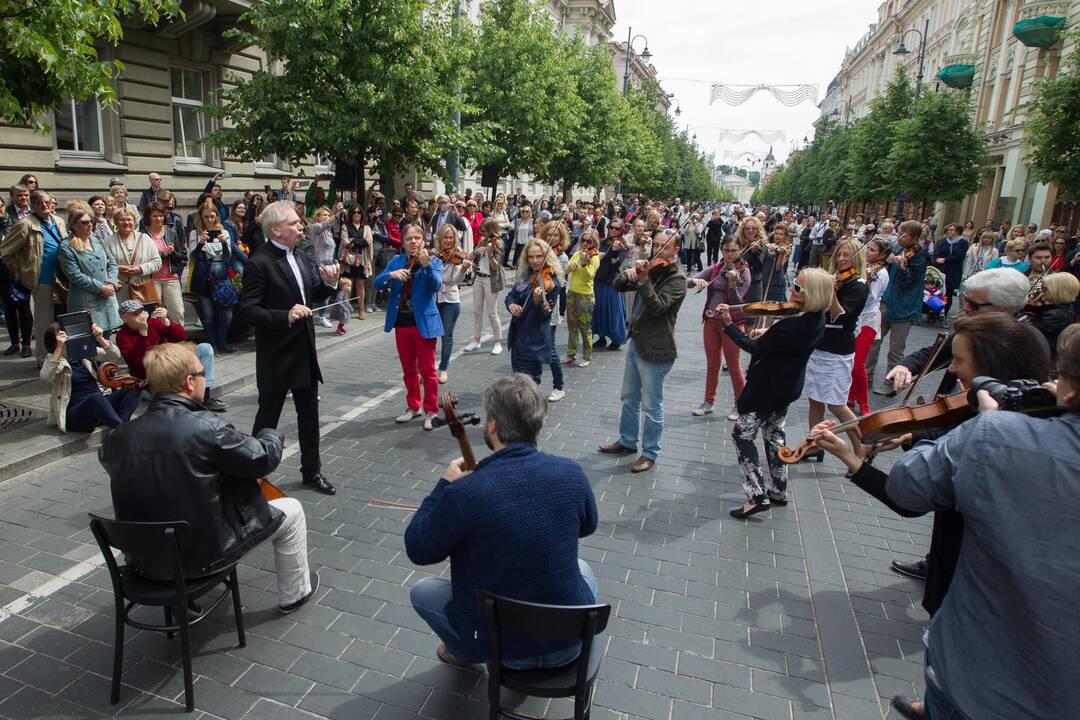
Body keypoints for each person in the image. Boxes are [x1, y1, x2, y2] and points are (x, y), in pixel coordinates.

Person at [810, 315, 1067, 720]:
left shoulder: (992, 430)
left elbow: (908, 497)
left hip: (975, 600)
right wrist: (916, 435)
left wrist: (851, 457)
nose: (952, 369)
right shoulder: (1030, 422)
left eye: (960, 360)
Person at [99, 343, 319, 613]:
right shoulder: (208, 428)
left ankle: (181, 604)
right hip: (203, 557)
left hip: (145, 560)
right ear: (189, 383)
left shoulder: (117, 438)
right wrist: (269, 435)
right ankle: (295, 595)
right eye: (203, 374)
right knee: (293, 511)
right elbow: (263, 459)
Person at [404, 374, 598, 667]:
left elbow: (418, 547)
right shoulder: (571, 473)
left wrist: (444, 485)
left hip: (502, 650)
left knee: (423, 592)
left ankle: (465, 651)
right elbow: (588, 526)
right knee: (582, 568)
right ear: (539, 423)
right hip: (568, 642)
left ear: (492, 425)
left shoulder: (464, 493)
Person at [239, 201, 340, 495]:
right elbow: (248, 310)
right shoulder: (259, 262)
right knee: (266, 419)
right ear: (276, 230)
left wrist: (329, 284)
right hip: (276, 356)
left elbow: (308, 295)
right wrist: (284, 316)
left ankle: (312, 471)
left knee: (309, 417)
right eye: (295, 223)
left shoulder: (301, 254)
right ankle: (252, 479)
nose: (301, 226)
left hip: (304, 352)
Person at [714, 268, 832, 518]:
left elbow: (753, 347)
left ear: (811, 294)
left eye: (798, 288)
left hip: (766, 389)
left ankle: (756, 495)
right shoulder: (817, 319)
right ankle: (778, 488)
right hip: (786, 388)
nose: (792, 290)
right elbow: (779, 343)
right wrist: (770, 334)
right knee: (774, 434)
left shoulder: (795, 326)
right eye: (794, 284)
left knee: (742, 436)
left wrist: (727, 324)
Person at [599, 229, 686, 473]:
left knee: (651, 405)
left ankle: (650, 452)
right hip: (636, 343)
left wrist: (644, 280)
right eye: (656, 245)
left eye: (665, 247)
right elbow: (616, 285)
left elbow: (657, 307)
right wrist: (630, 274)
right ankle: (627, 440)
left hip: (657, 349)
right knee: (628, 397)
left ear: (675, 251)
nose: (658, 251)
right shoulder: (649, 267)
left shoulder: (676, 279)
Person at [801, 238, 869, 460]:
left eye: (846, 255)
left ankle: (861, 448)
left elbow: (842, 315)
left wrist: (830, 291)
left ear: (856, 258)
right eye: (839, 254)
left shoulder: (858, 285)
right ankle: (815, 444)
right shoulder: (836, 280)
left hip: (838, 350)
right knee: (815, 399)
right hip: (820, 345)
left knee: (838, 405)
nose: (841, 259)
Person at [374, 223, 443, 430]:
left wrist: (427, 266)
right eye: (408, 239)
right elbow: (377, 283)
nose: (413, 242)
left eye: (417, 238)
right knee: (408, 369)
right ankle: (413, 406)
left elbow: (437, 285)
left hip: (424, 324)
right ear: (402, 243)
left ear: (423, 240)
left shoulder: (432, 260)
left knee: (428, 370)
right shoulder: (396, 261)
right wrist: (391, 275)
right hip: (401, 323)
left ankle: (431, 410)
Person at [114, 298, 228, 411]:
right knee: (163, 392)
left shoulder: (153, 323)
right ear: (124, 318)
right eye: (135, 313)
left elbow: (181, 337)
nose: (140, 315)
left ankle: (205, 396)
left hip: (169, 365)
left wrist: (166, 321)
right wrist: (143, 332)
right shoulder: (122, 336)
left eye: (141, 311)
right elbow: (138, 361)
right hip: (150, 377)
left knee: (205, 348)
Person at [689, 236, 750, 419]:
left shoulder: (744, 272)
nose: (729, 254)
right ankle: (708, 402)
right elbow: (689, 280)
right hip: (710, 321)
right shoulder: (716, 268)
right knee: (712, 364)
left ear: (739, 251)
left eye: (733, 250)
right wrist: (695, 281)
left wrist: (732, 284)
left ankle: (741, 404)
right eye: (726, 250)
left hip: (731, 324)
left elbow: (737, 302)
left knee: (734, 366)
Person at [40, 323, 139, 433]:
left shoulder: (83, 351)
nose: (67, 338)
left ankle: (121, 426)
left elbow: (114, 355)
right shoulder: (54, 359)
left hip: (100, 406)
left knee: (133, 387)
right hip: (76, 414)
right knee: (95, 398)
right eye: (62, 336)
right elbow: (45, 376)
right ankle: (124, 432)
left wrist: (100, 338)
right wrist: (59, 347)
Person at [868, 221, 929, 395]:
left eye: (904, 234)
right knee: (874, 342)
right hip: (886, 302)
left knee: (896, 348)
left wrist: (902, 268)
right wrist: (888, 262)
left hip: (904, 307)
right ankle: (867, 375)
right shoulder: (898, 250)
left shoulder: (919, 256)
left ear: (914, 237)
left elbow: (910, 282)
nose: (900, 237)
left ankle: (891, 383)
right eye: (900, 232)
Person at [504, 238, 561, 392]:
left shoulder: (552, 282)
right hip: (517, 336)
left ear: (546, 257)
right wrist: (511, 304)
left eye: (539, 256)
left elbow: (545, 316)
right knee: (518, 379)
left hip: (534, 340)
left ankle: (531, 413)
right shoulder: (524, 275)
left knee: (529, 385)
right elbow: (510, 295)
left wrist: (538, 302)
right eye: (531, 257)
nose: (535, 261)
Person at [58, 209, 121, 332]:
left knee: (107, 340)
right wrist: (101, 288)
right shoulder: (66, 246)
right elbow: (75, 275)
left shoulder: (97, 240)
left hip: (107, 297)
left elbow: (112, 263)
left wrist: (111, 283)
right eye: (84, 222)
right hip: (85, 299)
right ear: (74, 225)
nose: (90, 225)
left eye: (90, 221)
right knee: (89, 339)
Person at [848, 237, 891, 416]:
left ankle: (864, 402)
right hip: (855, 317)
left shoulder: (881, 273)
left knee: (858, 363)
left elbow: (871, 299)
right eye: (868, 248)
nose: (867, 252)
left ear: (882, 254)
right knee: (851, 361)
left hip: (869, 319)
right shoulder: (861, 267)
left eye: (872, 250)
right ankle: (850, 397)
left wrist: (866, 281)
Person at [187, 201, 234, 353]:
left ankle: (222, 341)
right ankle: (211, 344)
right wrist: (201, 242)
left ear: (217, 216)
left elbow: (228, 257)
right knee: (207, 315)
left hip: (221, 275)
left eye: (212, 216)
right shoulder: (195, 233)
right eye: (206, 216)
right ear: (201, 217)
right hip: (203, 275)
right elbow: (192, 257)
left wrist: (225, 243)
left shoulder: (224, 232)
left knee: (226, 313)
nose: (210, 220)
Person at [433, 224, 470, 384]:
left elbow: (454, 281)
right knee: (429, 336)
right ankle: (424, 368)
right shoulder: (434, 255)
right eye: (445, 237)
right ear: (439, 238)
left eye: (451, 238)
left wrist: (462, 269)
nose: (448, 241)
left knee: (446, 336)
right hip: (433, 299)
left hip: (450, 300)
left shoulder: (458, 257)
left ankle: (443, 368)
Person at [463, 218, 505, 357]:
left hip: (491, 280)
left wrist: (490, 254)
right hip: (479, 278)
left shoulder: (498, 243)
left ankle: (498, 342)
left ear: (491, 230)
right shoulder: (482, 241)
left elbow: (496, 266)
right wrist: (475, 252)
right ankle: (476, 340)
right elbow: (469, 258)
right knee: (477, 311)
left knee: (492, 313)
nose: (483, 234)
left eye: (485, 231)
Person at [141, 202, 185, 325]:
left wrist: (172, 253)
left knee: (178, 312)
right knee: (155, 315)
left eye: (161, 215)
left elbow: (182, 256)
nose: (159, 218)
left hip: (171, 278)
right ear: (148, 217)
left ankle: (179, 342)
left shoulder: (171, 232)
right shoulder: (143, 235)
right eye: (155, 216)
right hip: (152, 279)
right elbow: (142, 259)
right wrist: (163, 254)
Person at [563, 229, 601, 367]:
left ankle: (587, 355)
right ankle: (571, 353)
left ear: (594, 242)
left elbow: (589, 276)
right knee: (572, 326)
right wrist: (570, 266)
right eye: (583, 240)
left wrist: (584, 264)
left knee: (585, 327)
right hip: (572, 292)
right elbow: (565, 270)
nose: (585, 243)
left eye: (589, 241)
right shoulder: (577, 253)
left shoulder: (595, 257)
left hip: (585, 296)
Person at [592, 218, 628, 351]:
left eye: (617, 228)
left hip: (611, 282)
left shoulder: (622, 245)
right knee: (598, 310)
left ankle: (616, 339)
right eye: (611, 227)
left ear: (621, 231)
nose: (613, 230)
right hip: (598, 279)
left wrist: (614, 251)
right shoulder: (601, 243)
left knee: (613, 312)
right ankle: (601, 338)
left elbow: (616, 264)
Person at [338, 205, 373, 319]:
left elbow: (368, 241)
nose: (356, 214)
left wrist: (354, 240)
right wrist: (359, 241)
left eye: (358, 212)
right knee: (347, 285)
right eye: (354, 212)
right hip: (348, 260)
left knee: (360, 285)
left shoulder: (366, 227)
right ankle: (345, 310)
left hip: (361, 260)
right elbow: (345, 242)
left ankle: (361, 310)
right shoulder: (345, 226)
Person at [933, 223, 968, 325]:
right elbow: (938, 252)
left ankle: (944, 314)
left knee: (948, 292)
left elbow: (960, 256)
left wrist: (946, 259)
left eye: (952, 230)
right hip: (942, 269)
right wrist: (937, 259)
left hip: (953, 270)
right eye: (948, 230)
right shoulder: (944, 241)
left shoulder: (963, 242)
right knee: (938, 291)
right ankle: (935, 312)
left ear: (957, 231)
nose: (949, 231)